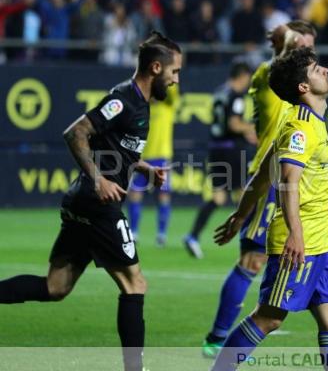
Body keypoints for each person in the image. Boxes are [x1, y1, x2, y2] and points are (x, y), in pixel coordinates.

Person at [0, 31, 182, 371]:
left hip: (81, 204)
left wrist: (143, 168)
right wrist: (99, 180)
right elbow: (76, 132)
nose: (175, 80)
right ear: (156, 68)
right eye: (174, 72)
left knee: (55, 287)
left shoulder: (139, 104)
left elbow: (114, 147)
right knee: (135, 283)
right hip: (97, 204)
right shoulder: (124, 99)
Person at [201, 20, 328, 359]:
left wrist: (240, 216)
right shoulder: (300, 128)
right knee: (269, 318)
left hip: (325, 241)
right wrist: (295, 235)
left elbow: (260, 179)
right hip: (300, 242)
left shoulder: (306, 122)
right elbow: (285, 182)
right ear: (302, 86)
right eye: (315, 68)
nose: (325, 69)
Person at [183, 62, 256, 258]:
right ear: (241, 77)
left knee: (219, 198)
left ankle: (193, 236)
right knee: (243, 195)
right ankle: (251, 242)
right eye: (247, 80)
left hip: (216, 149)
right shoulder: (236, 96)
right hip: (232, 151)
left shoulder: (219, 92)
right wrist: (249, 129)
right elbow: (233, 124)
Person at [127, 84, 180, 247]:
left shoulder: (168, 106)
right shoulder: (143, 109)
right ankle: (134, 233)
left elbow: (173, 88)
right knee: (134, 194)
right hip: (142, 159)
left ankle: (161, 235)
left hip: (161, 158)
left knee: (163, 196)